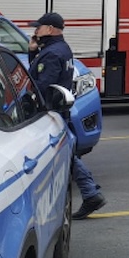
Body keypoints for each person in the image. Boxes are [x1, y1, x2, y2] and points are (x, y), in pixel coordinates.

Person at [28, 12, 105, 219]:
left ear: (50, 29)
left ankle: (91, 193)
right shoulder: (61, 48)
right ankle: (91, 193)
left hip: (50, 111)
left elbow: (41, 85)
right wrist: (33, 52)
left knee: (64, 152)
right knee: (67, 150)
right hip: (59, 109)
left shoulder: (52, 54)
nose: (35, 31)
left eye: (38, 27)